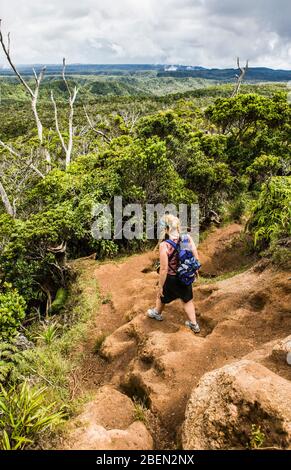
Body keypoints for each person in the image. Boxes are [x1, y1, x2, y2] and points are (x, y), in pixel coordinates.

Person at [147, 214, 200, 334]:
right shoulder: (187, 238)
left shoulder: (164, 245)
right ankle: (194, 324)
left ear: (166, 229)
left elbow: (164, 269)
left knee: (161, 294)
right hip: (184, 276)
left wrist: (160, 285)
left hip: (171, 278)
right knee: (187, 300)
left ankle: (157, 313)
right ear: (178, 226)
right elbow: (195, 255)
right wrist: (195, 271)